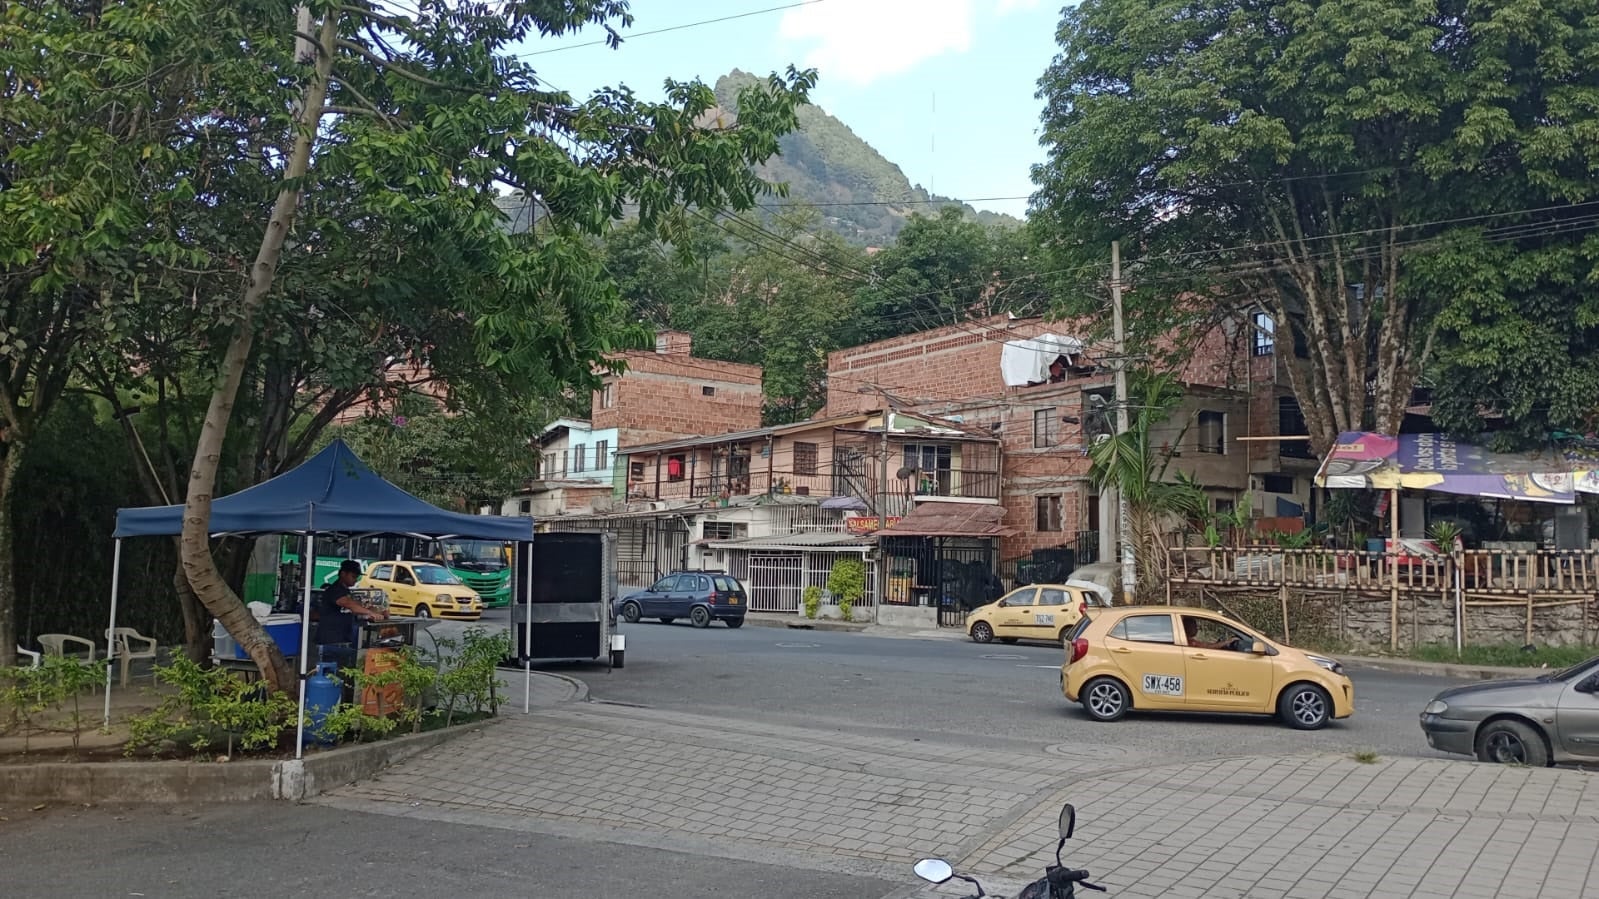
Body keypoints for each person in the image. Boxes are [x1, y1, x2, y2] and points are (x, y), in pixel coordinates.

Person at [314, 559, 387, 670]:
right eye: (353, 576)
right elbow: (349, 604)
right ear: (343, 574)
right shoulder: (335, 590)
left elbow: (357, 606)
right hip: (330, 641)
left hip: (342, 640)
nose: (355, 580)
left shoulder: (346, 591)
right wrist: (370, 612)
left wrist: (378, 611)